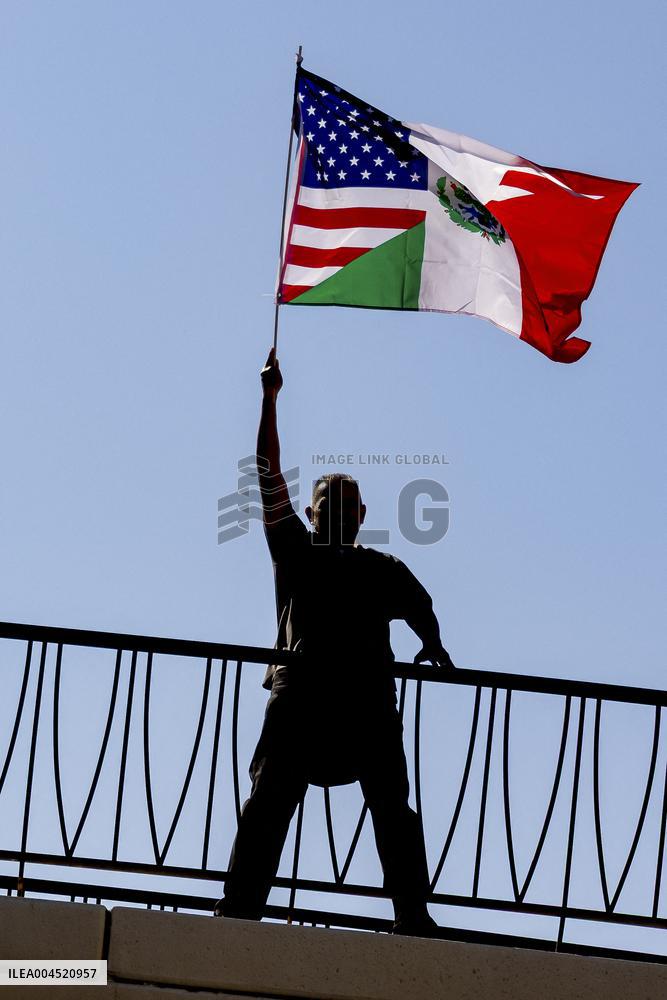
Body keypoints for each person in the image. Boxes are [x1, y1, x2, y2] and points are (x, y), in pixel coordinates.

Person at [214, 348, 455, 936]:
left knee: (386, 813)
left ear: (360, 514)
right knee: (274, 808)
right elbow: (266, 472)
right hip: (320, 707)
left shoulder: (375, 565)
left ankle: (408, 914)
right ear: (314, 514)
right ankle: (243, 911)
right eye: (330, 506)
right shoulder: (303, 553)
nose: (338, 515)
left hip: (356, 709)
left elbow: (422, 607)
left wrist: (434, 643)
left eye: (345, 508)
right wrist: (269, 402)